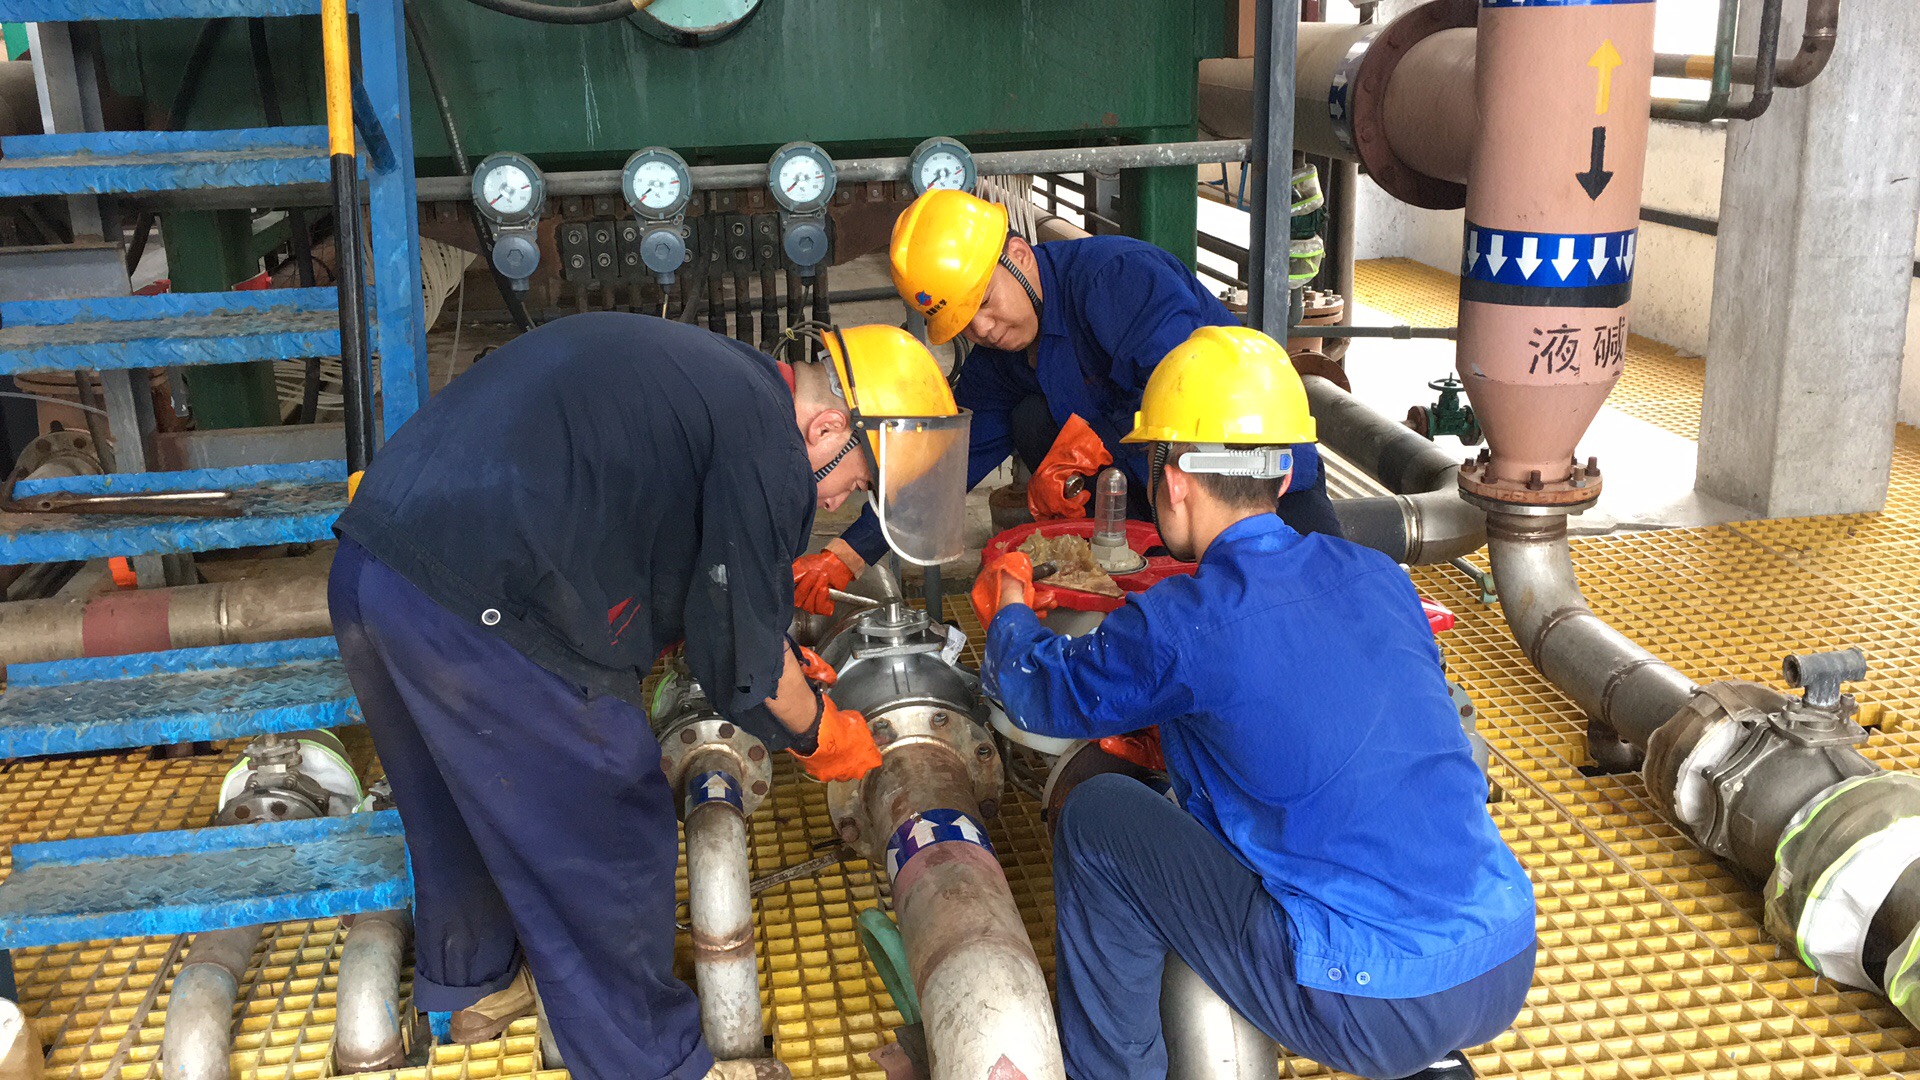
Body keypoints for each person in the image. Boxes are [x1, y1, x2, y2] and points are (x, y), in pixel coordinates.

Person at [330, 315, 964, 1080]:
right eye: (857, 480)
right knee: (613, 819)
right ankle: (654, 1063)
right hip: (477, 601)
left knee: (458, 801)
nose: (839, 502)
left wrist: (766, 644)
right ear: (829, 427)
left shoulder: (725, 383)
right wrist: (823, 734)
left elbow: (692, 576)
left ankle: (478, 982)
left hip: (375, 570)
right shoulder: (766, 441)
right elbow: (749, 666)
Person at [971, 326, 1536, 1080]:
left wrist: (1011, 613)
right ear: (1281, 474)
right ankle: (1430, 1057)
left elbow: (1038, 691)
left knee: (1099, 815)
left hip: (1363, 996)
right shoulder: (1377, 575)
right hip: (1502, 956)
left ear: (1175, 479)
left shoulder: (1187, 620)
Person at [791, 188, 1343, 613]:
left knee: (1305, 612)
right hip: (1162, 499)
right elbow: (946, 462)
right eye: (964, 323)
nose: (984, 328)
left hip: (1256, 482)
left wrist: (1093, 446)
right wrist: (849, 553)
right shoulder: (1002, 356)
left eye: (985, 301)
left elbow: (1195, 410)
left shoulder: (1118, 280)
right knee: (1031, 418)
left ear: (1018, 255)